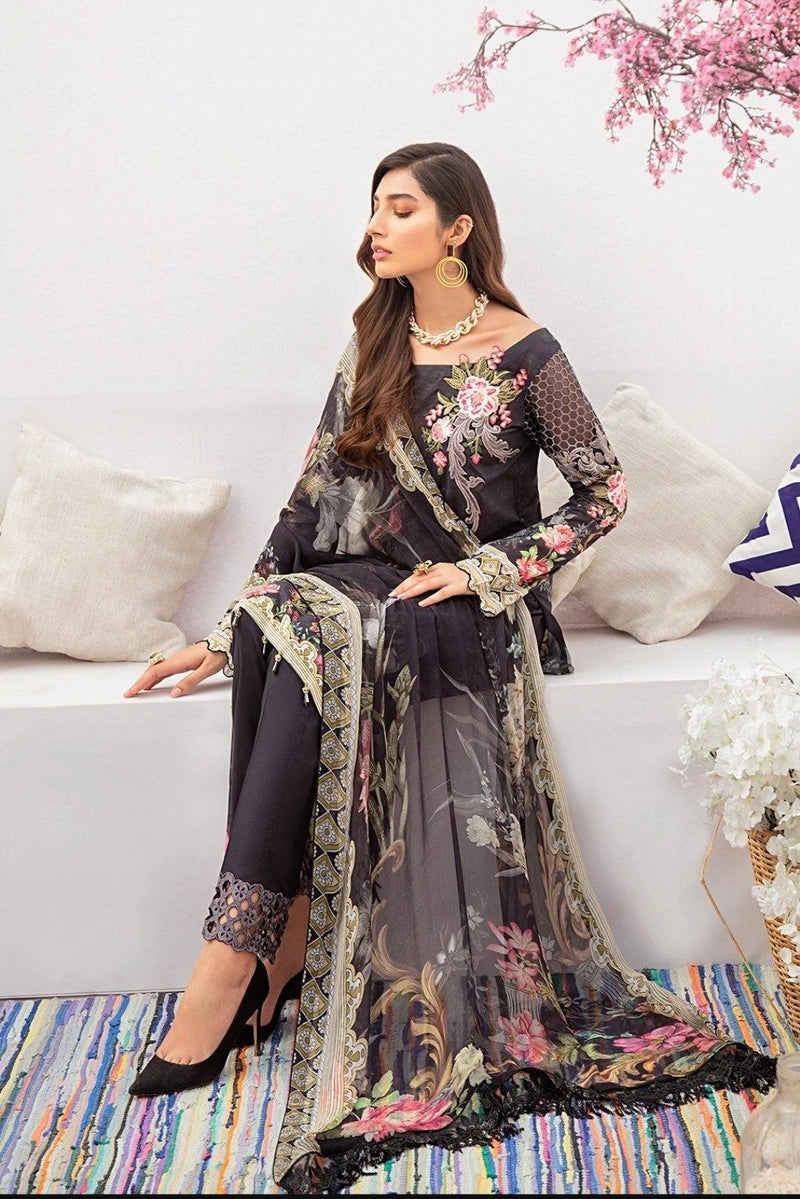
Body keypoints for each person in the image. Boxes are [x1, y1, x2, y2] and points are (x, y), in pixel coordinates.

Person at [122, 142, 777, 1193]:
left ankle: (245, 959)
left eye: (399, 209)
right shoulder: (375, 340)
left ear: (457, 227)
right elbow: (310, 497)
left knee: (345, 631)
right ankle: (250, 943)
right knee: (287, 622)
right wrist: (225, 621)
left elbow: (603, 493)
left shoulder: (524, 352)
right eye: (374, 209)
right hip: (368, 585)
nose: (375, 228)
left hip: (471, 607)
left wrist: (489, 569)